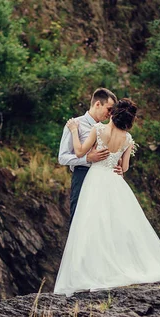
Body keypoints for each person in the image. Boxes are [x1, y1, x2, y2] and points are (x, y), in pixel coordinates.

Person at [53, 98, 160, 296]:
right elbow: (123, 168)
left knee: (92, 224)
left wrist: (74, 131)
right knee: (117, 225)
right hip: (115, 182)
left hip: (96, 179)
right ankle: (119, 265)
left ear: (114, 113)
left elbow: (81, 151)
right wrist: (118, 164)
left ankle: (94, 270)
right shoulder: (128, 139)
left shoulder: (98, 130)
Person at [58, 88, 120, 225]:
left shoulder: (107, 130)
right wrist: (86, 159)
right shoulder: (75, 124)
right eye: (109, 109)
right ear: (98, 104)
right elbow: (62, 157)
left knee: (100, 222)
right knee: (78, 220)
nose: (110, 115)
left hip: (103, 179)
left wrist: (117, 167)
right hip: (82, 176)